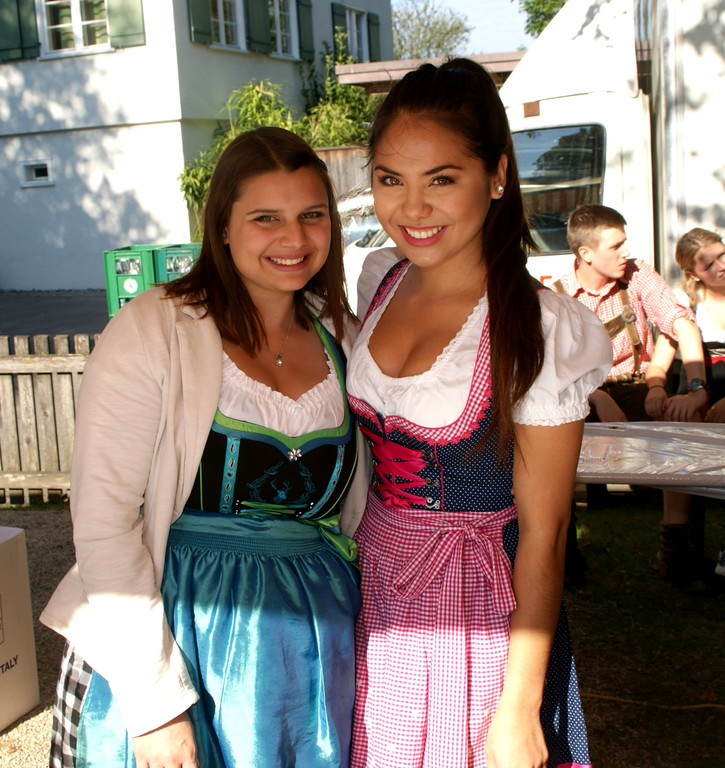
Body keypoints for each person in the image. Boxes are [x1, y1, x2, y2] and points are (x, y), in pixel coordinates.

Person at [40, 126, 369, 768]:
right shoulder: (155, 327)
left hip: (312, 639)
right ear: (221, 226)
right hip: (179, 629)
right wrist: (155, 704)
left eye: (312, 215)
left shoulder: (344, 334)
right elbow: (104, 520)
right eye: (266, 218)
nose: (294, 238)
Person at [345, 58, 613, 768]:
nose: (412, 208)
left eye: (441, 179)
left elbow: (545, 535)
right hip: (374, 582)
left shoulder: (539, 327)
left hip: (474, 608)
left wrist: (519, 709)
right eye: (389, 180)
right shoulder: (379, 280)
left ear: (496, 175)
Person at [555, 204, 709, 587]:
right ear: (585, 253)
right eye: (615, 246)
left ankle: (676, 549)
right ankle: (563, 555)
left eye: (624, 243)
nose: (625, 252)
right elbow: (553, 369)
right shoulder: (558, 296)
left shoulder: (636, 274)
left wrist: (694, 389)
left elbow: (682, 324)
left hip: (636, 388)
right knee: (548, 436)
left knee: (684, 425)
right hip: (578, 395)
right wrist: (596, 396)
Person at [674, 227, 725, 580]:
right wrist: (656, 386)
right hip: (702, 395)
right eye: (709, 264)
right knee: (679, 435)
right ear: (693, 274)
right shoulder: (688, 303)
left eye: (723, 254)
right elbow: (665, 354)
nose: (721, 266)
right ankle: (679, 548)